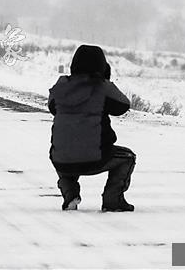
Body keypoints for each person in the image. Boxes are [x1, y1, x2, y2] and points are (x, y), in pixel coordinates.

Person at [47, 45, 135, 212]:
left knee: (59, 154)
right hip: (96, 158)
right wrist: (106, 80)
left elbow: (53, 108)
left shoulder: (60, 87)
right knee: (128, 157)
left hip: (62, 160)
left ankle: (70, 194)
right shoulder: (102, 88)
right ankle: (112, 199)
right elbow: (123, 106)